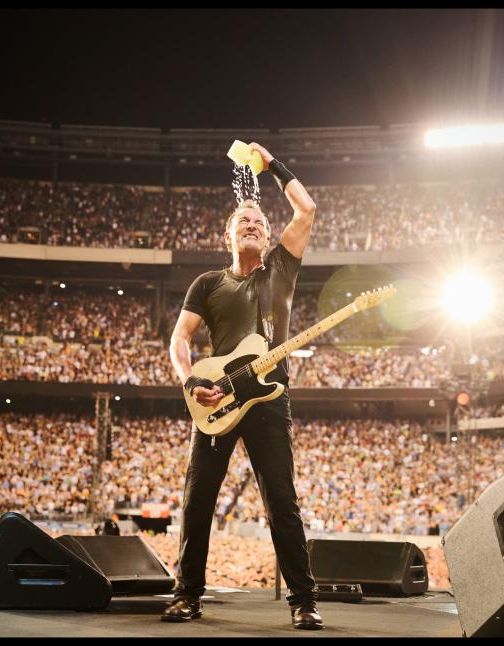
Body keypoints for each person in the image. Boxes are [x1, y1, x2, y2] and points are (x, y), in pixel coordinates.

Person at [165, 142, 322, 630]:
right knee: (198, 499)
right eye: (242, 221)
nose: (251, 224)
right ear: (228, 234)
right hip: (218, 398)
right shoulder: (207, 284)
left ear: (270, 234)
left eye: (258, 221)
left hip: (270, 399)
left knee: (281, 500)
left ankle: (303, 600)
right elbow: (180, 340)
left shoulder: (281, 269)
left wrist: (271, 163)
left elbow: (308, 207)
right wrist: (192, 382)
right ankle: (187, 595)